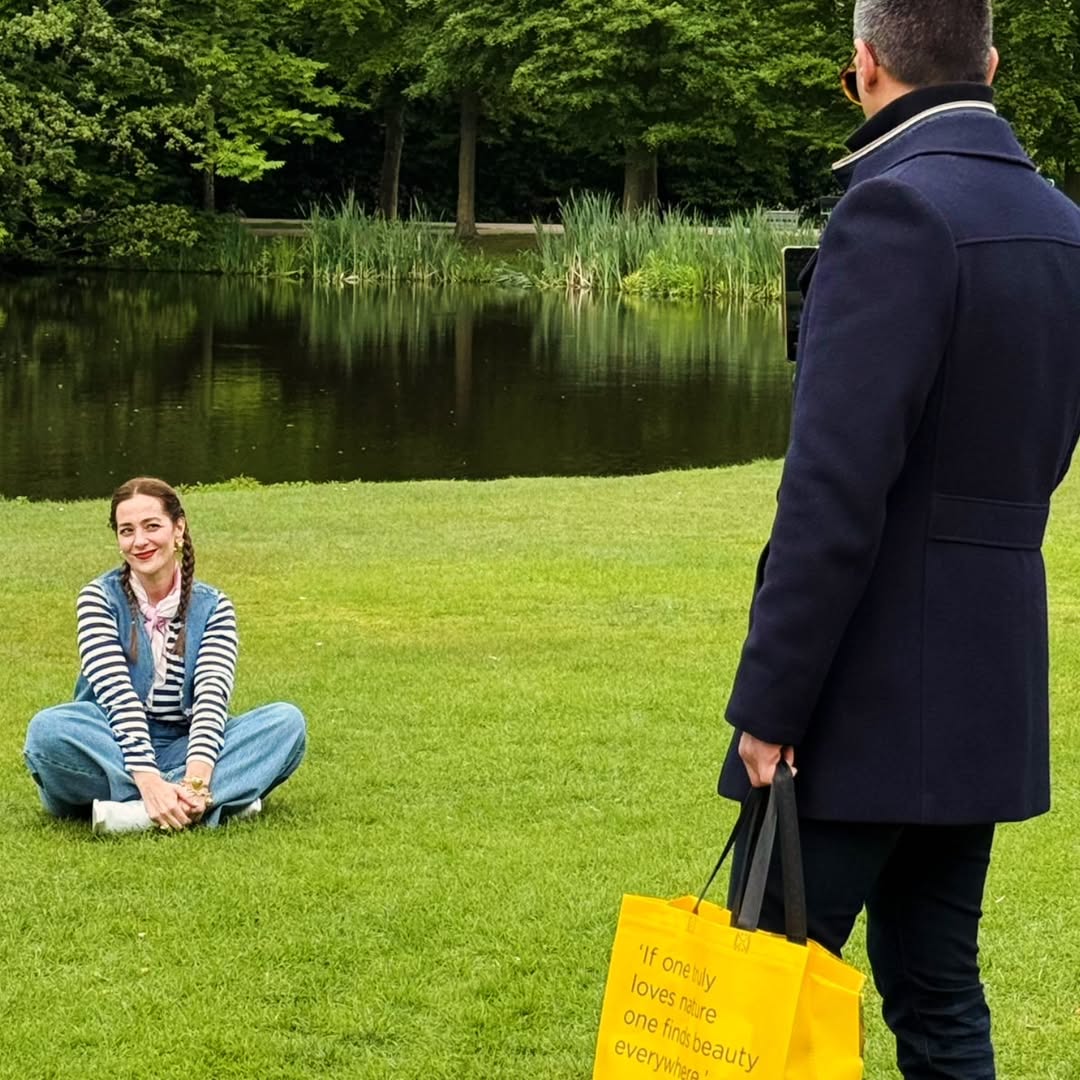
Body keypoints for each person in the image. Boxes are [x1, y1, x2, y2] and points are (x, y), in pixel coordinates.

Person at [718, 2, 1080, 1077]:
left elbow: (832, 492)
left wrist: (772, 702)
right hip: (988, 665)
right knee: (935, 984)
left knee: (758, 990)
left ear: (866, 64)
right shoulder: (1064, 226)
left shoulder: (893, 210)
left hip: (867, 683)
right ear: (991, 64)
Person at [24, 477, 306, 834]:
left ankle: (141, 812)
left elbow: (211, 699)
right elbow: (117, 697)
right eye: (127, 531)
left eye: (152, 526)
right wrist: (148, 779)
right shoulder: (98, 598)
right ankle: (211, 801)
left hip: (181, 746)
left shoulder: (213, 607)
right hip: (107, 742)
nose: (139, 541)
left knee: (286, 723)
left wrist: (196, 781)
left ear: (178, 529)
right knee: (47, 733)